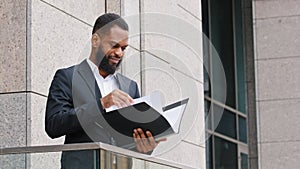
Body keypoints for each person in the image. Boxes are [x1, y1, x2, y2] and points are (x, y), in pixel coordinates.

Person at [45, 13, 165, 169]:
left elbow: (129, 142)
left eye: (123, 48)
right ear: (95, 40)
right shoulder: (67, 77)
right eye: (114, 45)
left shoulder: (130, 86)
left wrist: (144, 146)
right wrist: (102, 104)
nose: (119, 53)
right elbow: (53, 125)